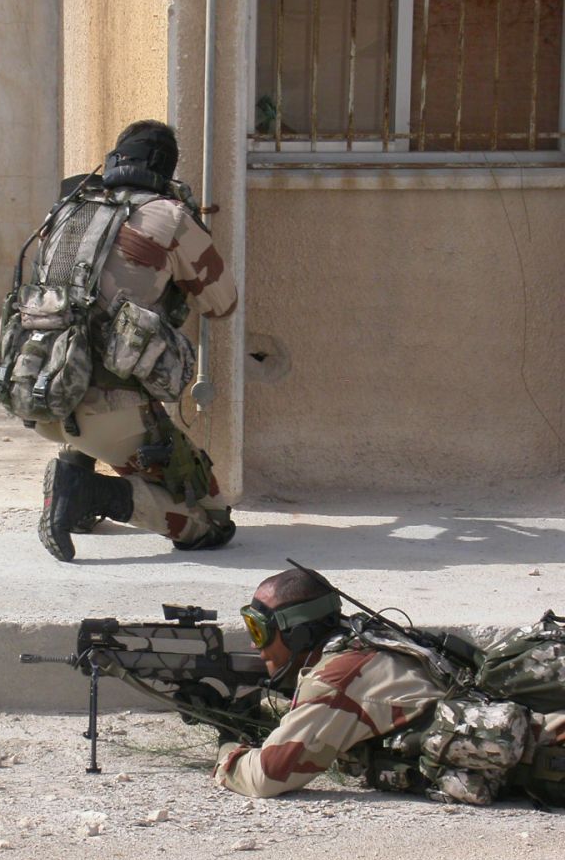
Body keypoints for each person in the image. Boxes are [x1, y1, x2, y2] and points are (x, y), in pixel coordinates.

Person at [33, 120, 238, 562]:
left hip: (43, 397)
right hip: (111, 414)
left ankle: (74, 470)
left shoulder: (67, 208)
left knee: (87, 330)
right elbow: (222, 304)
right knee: (212, 521)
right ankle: (87, 492)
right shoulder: (169, 216)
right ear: (166, 169)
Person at [215, 566, 565, 805]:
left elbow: (266, 776)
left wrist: (227, 745)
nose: (255, 646)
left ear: (298, 634)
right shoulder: (372, 641)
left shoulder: (338, 679)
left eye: (259, 631)